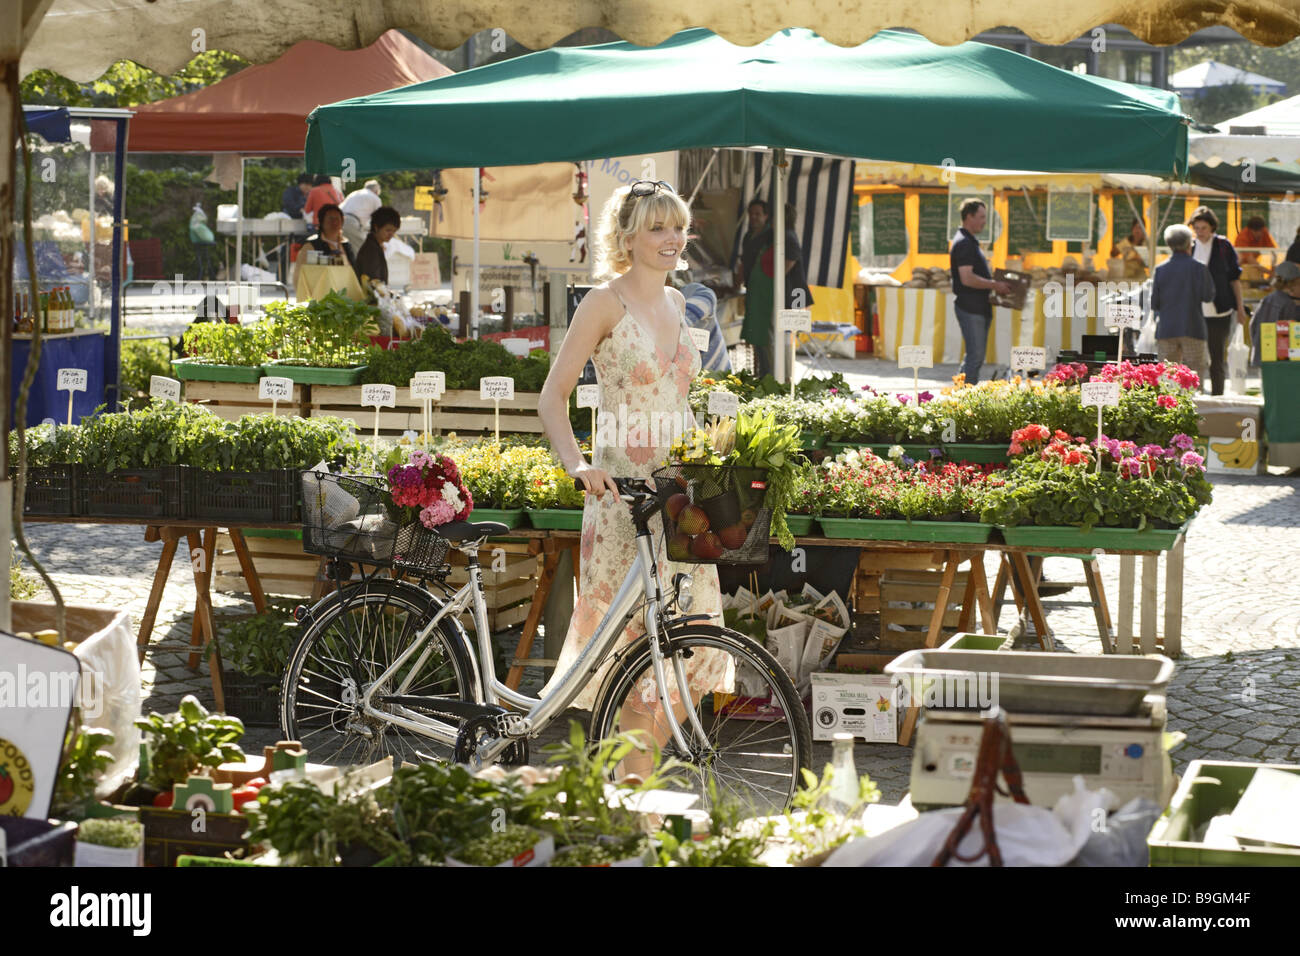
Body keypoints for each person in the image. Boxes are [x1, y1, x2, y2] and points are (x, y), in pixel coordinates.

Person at [536, 180, 726, 778]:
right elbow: (552, 397)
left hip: (682, 497)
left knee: (692, 644)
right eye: (657, 227)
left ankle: (628, 785)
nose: (673, 238)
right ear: (627, 236)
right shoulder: (603, 302)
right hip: (625, 498)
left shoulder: (678, 303)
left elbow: (681, 395)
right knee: (632, 655)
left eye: (678, 226)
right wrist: (578, 464)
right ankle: (631, 798)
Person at [740, 200, 813, 378]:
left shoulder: (787, 236)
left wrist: (766, 282)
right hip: (779, 295)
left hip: (788, 295)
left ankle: (782, 377)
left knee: (782, 337)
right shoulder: (775, 235)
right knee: (773, 337)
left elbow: (786, 265)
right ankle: (774, 375)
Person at [950, 198, 1012, 384]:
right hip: (971, 307)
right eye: (981, 217)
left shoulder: (969, 241)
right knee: (975, 357)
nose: (984, 221)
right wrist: (995, 285)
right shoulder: (964, 243)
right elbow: (967, 278)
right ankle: (965, 399)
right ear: (969, 217)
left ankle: (961, 393)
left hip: (977, 307)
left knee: (974, 356)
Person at [1189, 206, 1247, 395]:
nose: (1199, 232)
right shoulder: (1190, 246)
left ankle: (1218, 395)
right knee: (1195, 357)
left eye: (1203, 228)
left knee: (1216, 355)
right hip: (1195, 311)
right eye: (1196, 228)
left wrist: (1240, 307)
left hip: (1220, 309)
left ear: (1212, 227)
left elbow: (1234, 279)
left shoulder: (1223, 246)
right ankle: (1196, 393)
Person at [1150, 224, 1215, 374]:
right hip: (1193, 327)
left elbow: (1155, 303)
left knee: (1167, 378)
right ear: (1189, 243)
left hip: (1167, 329)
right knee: (1194, 377)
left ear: (1169, 244)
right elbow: (1208, 296)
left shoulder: (1160, 270)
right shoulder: (1199, 268)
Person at [1248, 259, 1300, 366]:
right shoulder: (1288, 304)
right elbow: (1294, 334)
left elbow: (1252, 325)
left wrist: (1257, 345)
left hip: (1261, 357)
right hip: (1280, 362)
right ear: (1293, 283)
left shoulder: (1267, 299)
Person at [352, 205, 400, 292]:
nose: (391, 234)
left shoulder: (376, 246)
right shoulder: (371, 249)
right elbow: (373, 282)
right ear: (376, 227)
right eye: (388, 230)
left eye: (394, 231)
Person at [300, 204, 354, 268]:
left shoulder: (346, 244)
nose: (334, 222)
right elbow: (301, 273)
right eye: (330, 218)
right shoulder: (310, 245)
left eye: (337, 218)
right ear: (321, 222)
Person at [340, 180, 383, 248]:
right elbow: (379, 220)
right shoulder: (375, 198)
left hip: (339, 221)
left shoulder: (355, 193)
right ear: (377, 191)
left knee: (347, 249)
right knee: (363, 248)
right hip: (351, 223)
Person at [188, 203, 216, 282]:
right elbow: (208, 237)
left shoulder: (197, 224)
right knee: (204, 258)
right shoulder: (196, 225)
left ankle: (207, 274)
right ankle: (206, 274)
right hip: (199, 241)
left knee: (204, 258)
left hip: (199, 241)